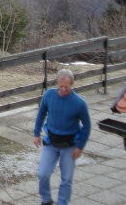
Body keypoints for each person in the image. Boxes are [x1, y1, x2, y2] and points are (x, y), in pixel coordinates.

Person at [33, 68, 91, 205]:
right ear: (57, 83)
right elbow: (41, 114)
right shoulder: (49, 95)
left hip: (70, 145)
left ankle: (62, 202)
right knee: (43, 174)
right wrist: (36, 134)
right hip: (51, 142)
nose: (64, 89)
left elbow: (87, 126)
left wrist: (80, 146)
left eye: (67, 86)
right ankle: (46, 199)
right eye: (61, 86)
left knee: (66, 179)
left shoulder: (79, 103)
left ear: (72, 84)